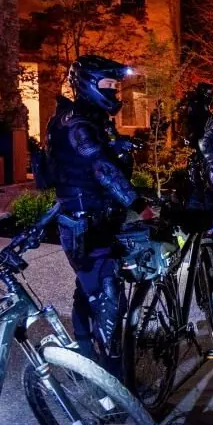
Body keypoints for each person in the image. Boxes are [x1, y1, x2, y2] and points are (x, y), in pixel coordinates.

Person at [46, 55, 150, 374]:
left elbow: (104, 162)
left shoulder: (91, 118)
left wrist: (119, 148)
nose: (115, 92)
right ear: (88, 85)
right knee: (107, 297)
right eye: (108, 85)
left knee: (89, 287)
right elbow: (101, 169)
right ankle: (113, 386)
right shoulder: (75, 122)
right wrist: (138, 205)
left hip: (98, 218)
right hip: (82, 223)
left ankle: (86, 355)